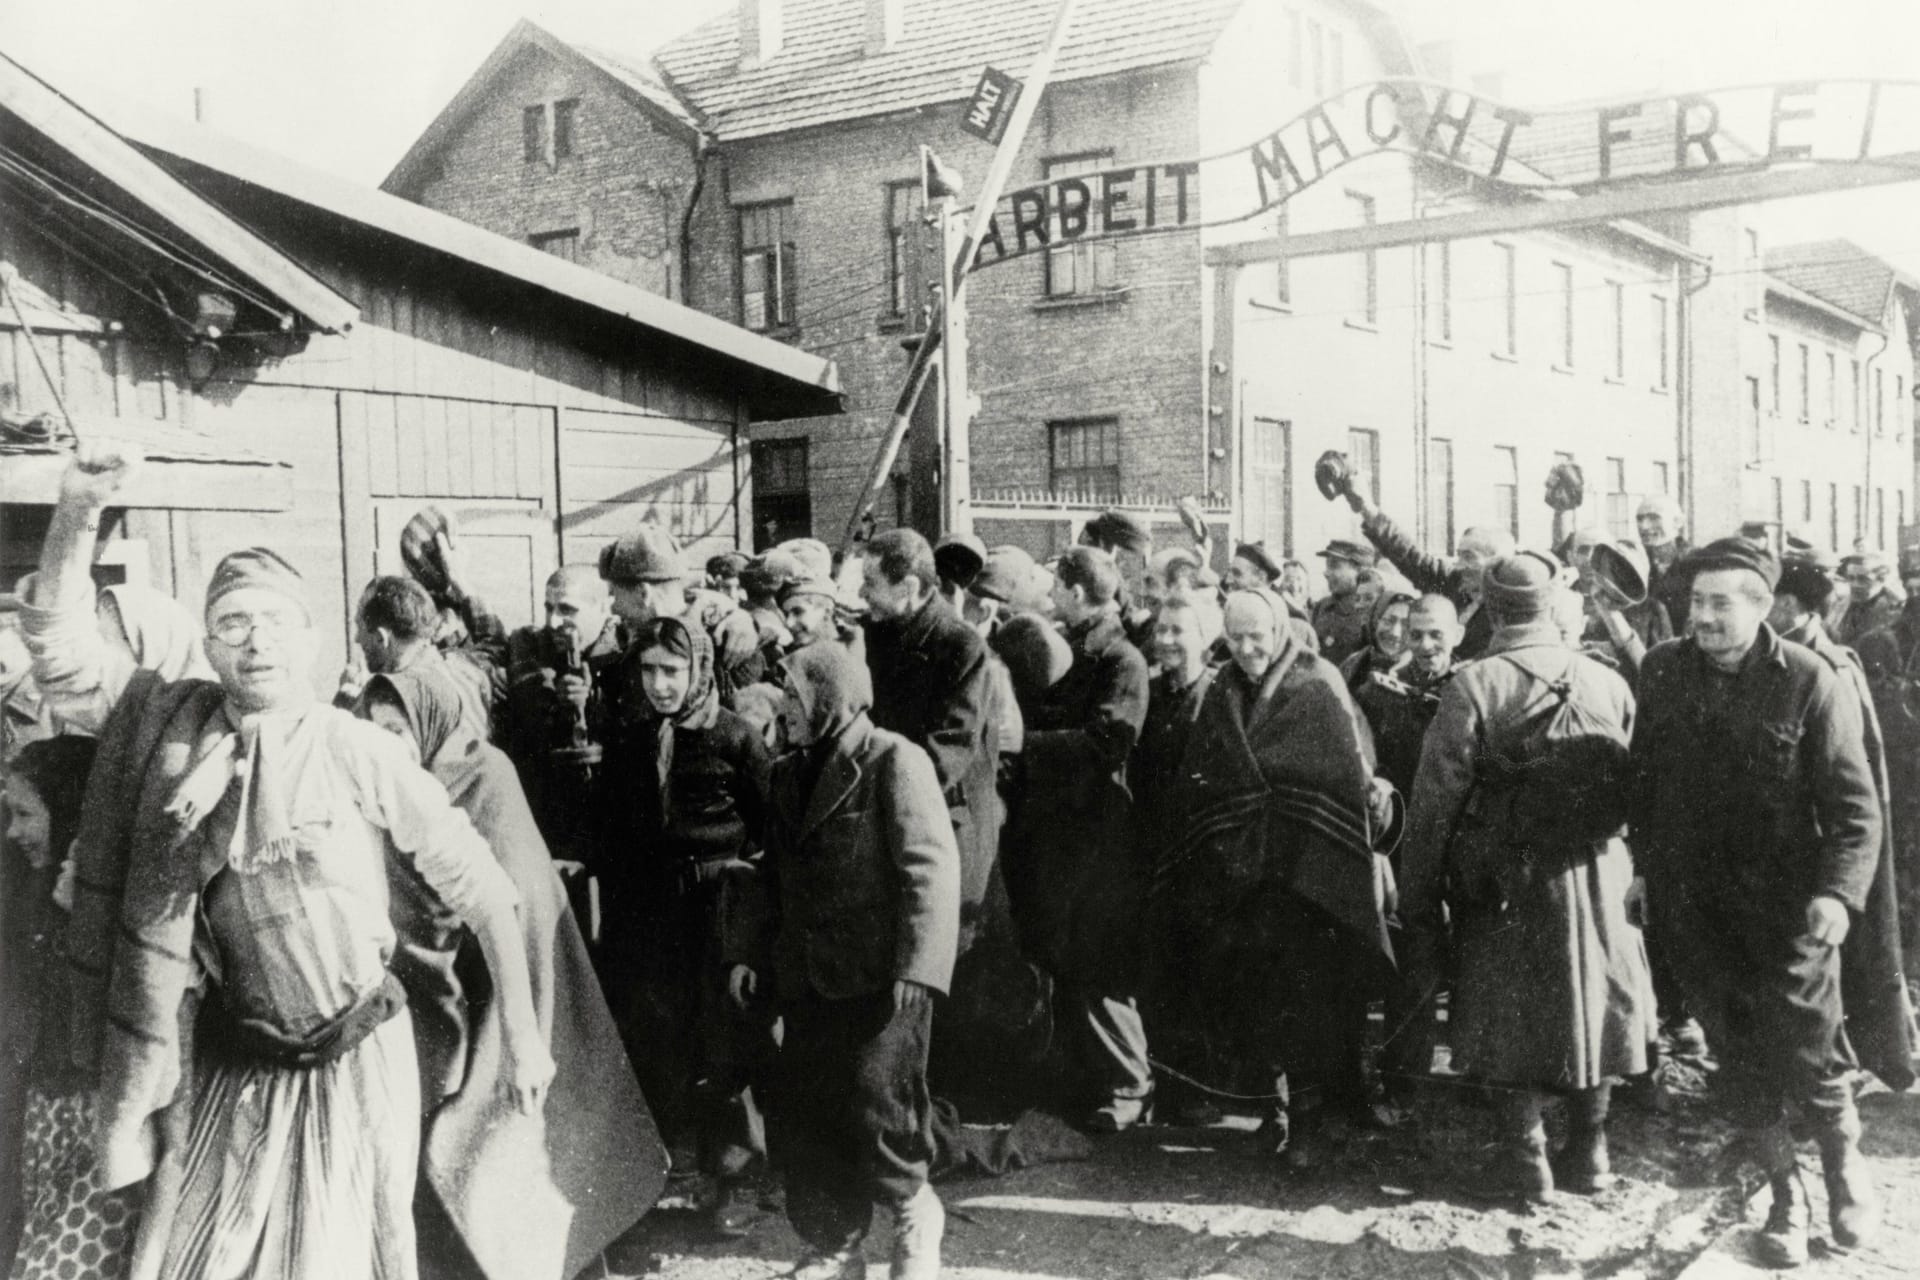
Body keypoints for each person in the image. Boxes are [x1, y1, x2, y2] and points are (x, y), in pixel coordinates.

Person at [23, 448, 555, 1280]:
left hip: (356, 1066)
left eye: (274, 621)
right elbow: (59, 649)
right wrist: (77, 511)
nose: (255, 640)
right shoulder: (172, 734)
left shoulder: (355, 748)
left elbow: (486, 892)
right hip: (235, 1065)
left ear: (310, 638)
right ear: (207, 640)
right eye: (233, 622)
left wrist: (523, 1038)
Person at [1632, 538, 1901, 1267]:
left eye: (1722, 603)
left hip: (1788, 912)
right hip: (1697, 909)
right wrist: (1645, 872)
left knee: (1811, 1050)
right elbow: (1645, 784)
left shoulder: (1811, 679)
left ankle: (1846, 1170)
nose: (1705, 618)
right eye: (1696, 604)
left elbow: (1855, 811)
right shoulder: (1662, 672)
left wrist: (1839, 896)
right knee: (1738, 1060)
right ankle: (1787, 1195)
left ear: (1762, 608)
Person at [359, 670, 660, 1280]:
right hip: (428, 999)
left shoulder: (486, 777)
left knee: (507, 1164)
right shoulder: (383, 794)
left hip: (502, 994)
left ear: (431, 726)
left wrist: (516, 1032)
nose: (384, 745)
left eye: (397, 730)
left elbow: (519, 907)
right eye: (373, 730)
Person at [1399, 553, 1654, 1200]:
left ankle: (1525, 1159)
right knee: (1597, 1004)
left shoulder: (1475, 685)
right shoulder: (1608, 680)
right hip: (1599, 872)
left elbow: (1434, 805)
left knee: (1502, 1009)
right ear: (1549, 603)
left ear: (1493, 605)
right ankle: (1590, 1152)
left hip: (1505, 879)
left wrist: (1420, 895)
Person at [725, 642, 959, 1280]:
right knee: (807, 1117)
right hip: (805, 980)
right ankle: (834, 1243)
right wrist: (747, 954)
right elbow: (768, 874)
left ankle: (915, 1213)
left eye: (795, 698)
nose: (786, 709)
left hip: (880, 982)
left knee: (880, 1108)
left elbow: (929, 869)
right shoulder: (783, 774)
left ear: (831, 698)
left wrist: (920, 963)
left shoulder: (892, 760)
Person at [1148, 588, 1391, 1169]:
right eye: (1236, 638)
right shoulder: (1223, 689)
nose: (1248, 648)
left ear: (1281, 628)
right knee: (1249, 997)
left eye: (1258, 635)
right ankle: (1270, 1113)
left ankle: (1308, 1121)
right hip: (1240, 879)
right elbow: (1203, 776)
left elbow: (1347, 769)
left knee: (1307, 1000)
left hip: (1308, 879)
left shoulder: (1317, 683)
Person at [596, 614, 773, 1227]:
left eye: (672, 671)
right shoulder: (633, 737)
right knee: (661, 1037)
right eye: (648, 670)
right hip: (654, 913)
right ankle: (668, 1172)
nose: (660, 684)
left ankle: (734, 1188)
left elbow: (769, 830)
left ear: (698, 668)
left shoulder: (736, 739)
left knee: (723, 1042)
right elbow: (616, 833)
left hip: (718, 909)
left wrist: (747, 918)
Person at [1009, 546, 1153, 1131]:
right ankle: (1082, 1083)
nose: (1049, 598)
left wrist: (1024, 746)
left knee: (1098, 966)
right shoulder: (1073, 649)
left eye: (1056, 587)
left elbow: (1107, 742)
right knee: (1061, 960)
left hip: (1099, 838)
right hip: (1059, 834)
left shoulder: (1121, 660)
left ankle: (1129, 1088)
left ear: (1075, 590)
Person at [3, 736, 141, 1280]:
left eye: (24, 814)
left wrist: (76, 923)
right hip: (47, 1116)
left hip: (94, 1125)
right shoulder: (33, 891)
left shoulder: (108, 904)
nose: (12, 832)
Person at [861, 530, 999, 954]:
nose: (862, 593)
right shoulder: (875, 633)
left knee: (933, 958)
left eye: (871, 583)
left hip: (940, 824)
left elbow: (948, 751)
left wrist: (873, 794)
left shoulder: (960, 647)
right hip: (886, 817)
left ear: (908, 588)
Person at [1129, 591, 1225, 1123]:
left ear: (1206, 637)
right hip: (1156, 854)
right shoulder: (1153, 692)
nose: (1165, 640)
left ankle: (1203, 1092)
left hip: (1204, 859)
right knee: (1162, 976)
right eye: (1160, 630)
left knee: (1200, 977)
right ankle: (1173, 1088)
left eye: (1177, 631)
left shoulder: (1219, 694)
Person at [500, 566, 623, 898]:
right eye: (548, 608)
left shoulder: (627, 653)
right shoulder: (529, 648)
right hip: (550, 830)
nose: (554, 621)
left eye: (567, 609)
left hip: (614, 830)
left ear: (604, 607)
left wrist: (595, 706)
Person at [1338, 486, 1516, 662]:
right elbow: (1409, 555)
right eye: (1459, 555)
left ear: (1497, 562)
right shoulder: (1452, 583)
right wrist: (1367, 508)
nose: (1460, 565)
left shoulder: (1510, 609)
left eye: (1469, 557)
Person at [348, 576, 493, 737]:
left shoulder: (388, 701)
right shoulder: (467, 668)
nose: (357, 639)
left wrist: (347, 698)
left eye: (360, 628)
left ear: (382, 637)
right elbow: (492, 643)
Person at [1309, 540, 1378, 667]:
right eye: (1327, 566)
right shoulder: (1322, 607)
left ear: (1360, 571)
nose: (1326, 572)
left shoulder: (1372, 613)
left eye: (1334, 565)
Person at [1338, 588, 1416, 694]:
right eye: (1388, 621)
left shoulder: (1421, 674)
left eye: (1406, 625)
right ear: (1374, 621)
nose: (1395, 633)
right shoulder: (1353, 662)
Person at [1636, 494, 1692, 633]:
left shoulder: (1696, 562)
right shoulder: (1635, 563)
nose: (1644, 526)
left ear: (1678, 522)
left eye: (1654, 518)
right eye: (1640, 519)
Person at [1839, 552, 1905, 646]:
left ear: (1881, 579)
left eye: (1863, 579)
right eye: (1851, 578)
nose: (1855, 585)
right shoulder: (1842, 604)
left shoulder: (1894, 608)